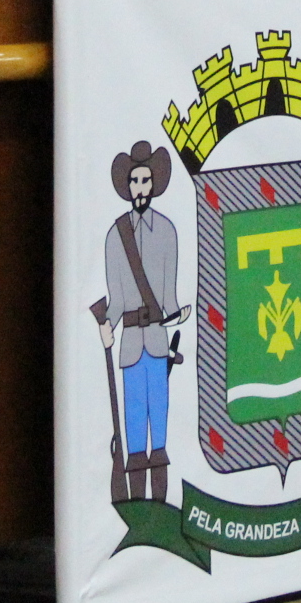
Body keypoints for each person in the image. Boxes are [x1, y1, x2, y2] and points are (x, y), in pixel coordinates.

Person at [96, 141, 182, 504]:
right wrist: (107, 326)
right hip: (130, 343)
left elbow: (169, 296)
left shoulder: (167, 231)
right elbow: (115, 299)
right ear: (128, 186)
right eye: (135, 181)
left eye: (145, 180)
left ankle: (160, 504)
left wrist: (178, 314)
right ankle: (136, 503)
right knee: (133, 428)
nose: (140, 187)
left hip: (158, 341)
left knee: (158, 426)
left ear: (154, 183)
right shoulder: (115, 236)